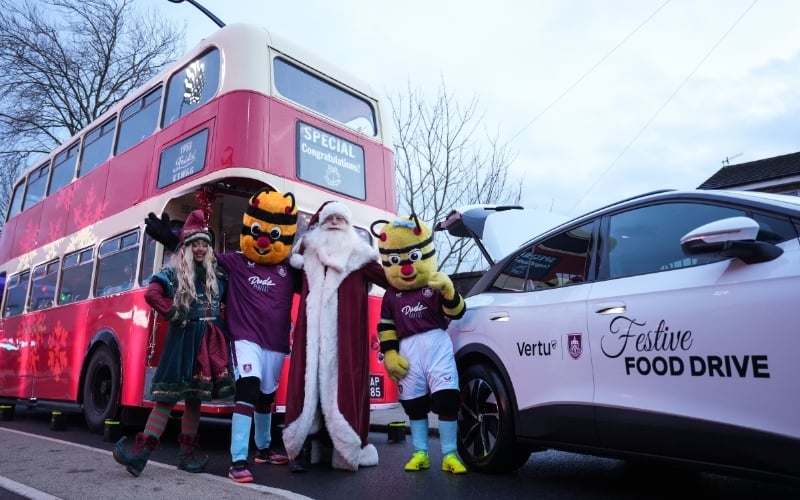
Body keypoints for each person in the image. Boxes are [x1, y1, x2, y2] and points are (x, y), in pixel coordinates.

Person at [144, 187, 300, 483]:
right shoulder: (237, 261)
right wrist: (173, 238)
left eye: (274, 235)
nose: (265, 240)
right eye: (259, 231)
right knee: (249, 389)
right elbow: (202, 254)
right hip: (244, 339)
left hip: (277, 342)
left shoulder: (288, 270)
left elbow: (316, 283)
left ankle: (264, 449)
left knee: (267, 396)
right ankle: (238, 459)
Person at [113, 209, 233, 477]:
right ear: (187, 248)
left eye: (205, 243)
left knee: (194, 400)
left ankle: (187, 455)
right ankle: (140, 454)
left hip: (207, 343)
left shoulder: (218, 276)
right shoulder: (174, 274)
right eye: (195, 244)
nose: (201, 249)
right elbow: (152, 294)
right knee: (167, 399)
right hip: (182, 342)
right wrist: (175, 314)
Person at [282, 201, 389, 472]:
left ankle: (342, 449)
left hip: (345, 342)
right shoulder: (306, 252)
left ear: (349, 224)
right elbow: (280, 274)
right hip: (311, 339)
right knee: (309, 392)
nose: (335, 222)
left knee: (339, 391)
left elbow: (394, 279)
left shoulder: (360, 255)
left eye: (341, 219)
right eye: (331, 218)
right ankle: (304, 450)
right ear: (320, 223)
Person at [371, 214, 468, 474]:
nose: (405, 267)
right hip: (408, 349)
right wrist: (390, 354)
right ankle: (420, 453)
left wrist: (450, 292)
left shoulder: (435, 284)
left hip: (436, 343)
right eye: (396, 261)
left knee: (447, 399)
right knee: (414, 405)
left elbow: (457, 311)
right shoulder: (391, 295)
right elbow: (386, 327)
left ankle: (450, 454)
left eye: (411, 258)